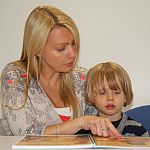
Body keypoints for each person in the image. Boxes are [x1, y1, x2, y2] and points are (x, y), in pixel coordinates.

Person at [0, 5, 121, 138]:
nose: (72, 54)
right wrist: (80, 122)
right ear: (37, 49)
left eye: (73, 44)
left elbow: (103, 115)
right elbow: (24, 133)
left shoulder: (82, 77)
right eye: (61, 48)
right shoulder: (14, 76)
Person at [80, 62, 149, 136]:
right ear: (92, 97)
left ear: (125, 96)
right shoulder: (85, 129)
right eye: (102, 93)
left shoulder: (137, 130)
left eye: (116, 92)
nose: (110, 98)